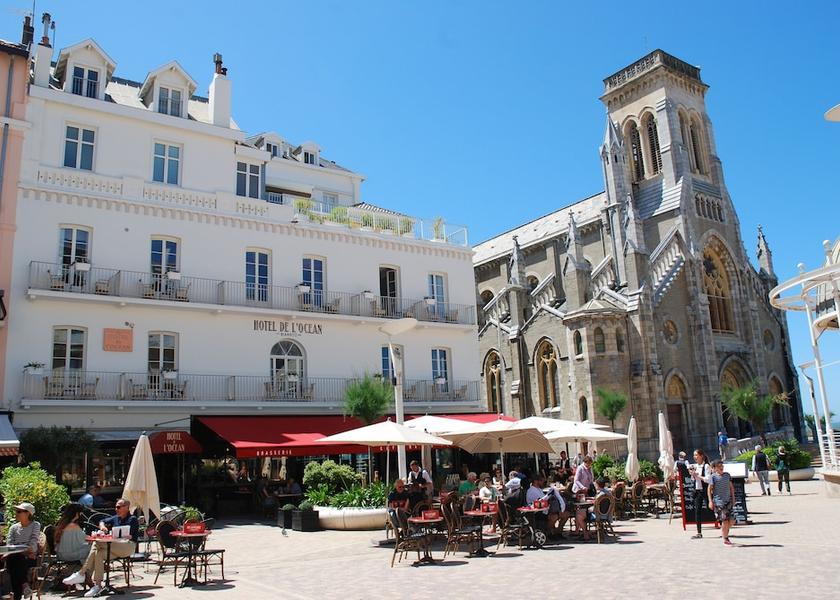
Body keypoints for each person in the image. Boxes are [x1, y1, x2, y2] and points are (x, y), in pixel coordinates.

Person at [63, 498, 140, 598]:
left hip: (128, 546)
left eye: (118, 507)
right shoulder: (116, 518)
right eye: (116, 507)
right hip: (114, 546)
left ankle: (82, 573)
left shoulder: (132, 519)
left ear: (126, 508)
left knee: (97, 543)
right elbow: (102, 520)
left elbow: (129, 536)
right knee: (98, 553)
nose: (116, 509)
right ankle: (98, 585)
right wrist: (102, 526)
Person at [5, 502, 40, 600]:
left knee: (14, 561)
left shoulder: (35, 525)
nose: (16, 513)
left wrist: (20, 550)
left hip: (29, 557)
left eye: (19, 511)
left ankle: (18, 596)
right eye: (16, 511)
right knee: (15, 558)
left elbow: (33, 544)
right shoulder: (13, 527)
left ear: (28, 513)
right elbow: (9, 544)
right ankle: (25, 585)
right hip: (19, 556)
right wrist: (22, 550)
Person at [708, 460, 736, 546]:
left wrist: (733, 498)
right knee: (725, 521)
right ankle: (725, 538)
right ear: (715, 468)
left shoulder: (727, 475)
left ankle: (725, 532)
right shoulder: (713, 477)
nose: (721, 467)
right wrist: (710, 501)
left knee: (732, 521)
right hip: (719, 502)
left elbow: (731, 487)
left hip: (728, 501)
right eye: (719, 466)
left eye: (722, 465)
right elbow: (709, 489)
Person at [689, 449, 712, 539]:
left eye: (696, 455)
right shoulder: (695, 466)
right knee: (697, 511)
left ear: (701, 456)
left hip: (705, 490)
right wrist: (692, 475)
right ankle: (699, 532)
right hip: (697, 490)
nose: (695, 457)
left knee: (710, 509)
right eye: (694, 455)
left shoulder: (706, 466)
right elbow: (693, 480)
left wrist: (697, 475)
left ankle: (723, 525)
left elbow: (707, 479)